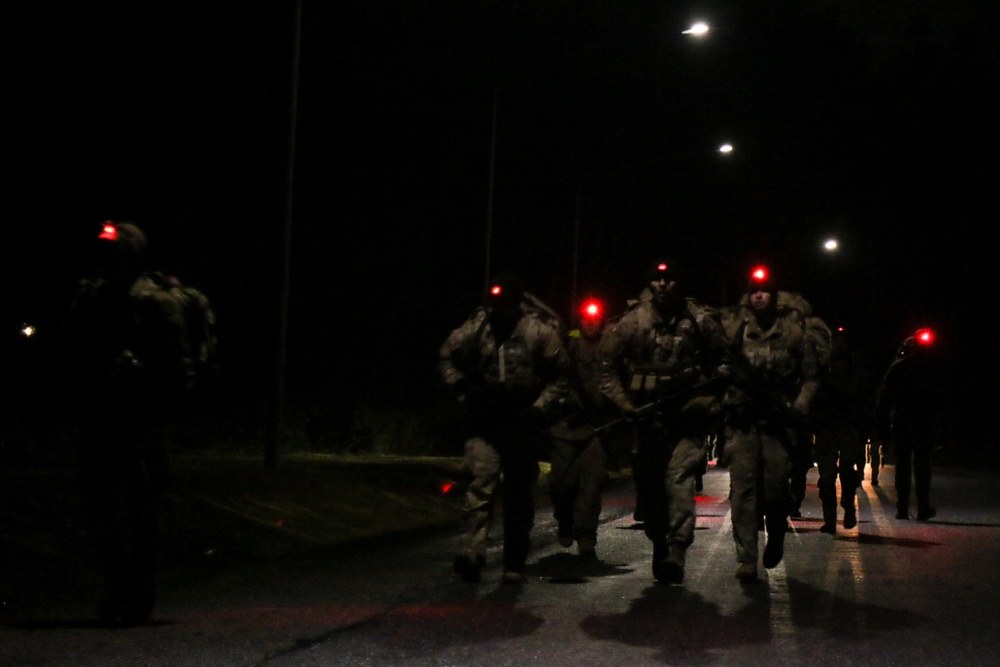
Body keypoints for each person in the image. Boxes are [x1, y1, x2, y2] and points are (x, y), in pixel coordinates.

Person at [60, 221, 189, 625]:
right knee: (101, 510)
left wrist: (151, 397)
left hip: (142, 424)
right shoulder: (91, 297)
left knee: (143, 509)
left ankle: (139, 586)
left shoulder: (155, 302)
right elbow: (69, 355)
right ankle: (118, 584)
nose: (107, 259)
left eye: (115, 252)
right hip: (101, 419)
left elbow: (177, 368)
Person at [598, 259, 727, 584]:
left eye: (669, 279)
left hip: (686, 420)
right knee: (652, 491)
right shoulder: (632, 322)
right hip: (648, 420)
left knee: (680, 482)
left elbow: (728, 361)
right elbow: (606, 367)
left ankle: (677, 549)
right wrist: (625, 404)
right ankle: (660, 542)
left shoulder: (700, 320)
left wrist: (709, 398)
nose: (662, 285)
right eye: (656, 279)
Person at [439, 273, 569, 584]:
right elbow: (447, 356)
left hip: (521, 421)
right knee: (478, 488)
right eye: (496, 306)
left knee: (518, 495)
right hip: (486, 419)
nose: (501, 314)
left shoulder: (538, 331)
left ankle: (514, 562)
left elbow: (562, 374)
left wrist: (539, 408)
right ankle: (471, 554)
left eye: (506, 307)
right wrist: (463, 388)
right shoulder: (477, 327)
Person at [720, 264, 830, 580]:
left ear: (774, 294)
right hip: (743, 424)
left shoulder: (793, 333)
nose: (758, 297)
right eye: (754, 291)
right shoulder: (736, 330)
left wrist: (797, 409)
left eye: (764, 291)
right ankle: (746, 558)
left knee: (774, 492)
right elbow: (719, 364)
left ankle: (777, 536)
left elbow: (811, 377)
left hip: (777, 426)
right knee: (742, 492)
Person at [542, 297, 613, 558]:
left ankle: (586, 537)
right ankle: (565, 519)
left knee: (591, 485)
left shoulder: (610, 349)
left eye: (596, 319)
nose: (591, 323)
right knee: (561, 484)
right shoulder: (567, 348)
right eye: (586, 318)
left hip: (597, 428)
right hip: (565, 428)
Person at [874, 328, 949, 521]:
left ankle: (904, 507)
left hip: (908, 422)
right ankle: (920, 506)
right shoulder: (934, 369)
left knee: (905, 466)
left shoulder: (900, 367)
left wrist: (881, 426)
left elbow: (884, 400)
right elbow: (943, 401)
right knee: (921, 466)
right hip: (921, 423)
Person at [809, 326, 876, 534]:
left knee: (848, 474)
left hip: (848, 428)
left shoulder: (856, 369)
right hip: (828, 429)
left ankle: (847, 508)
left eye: (842, 342)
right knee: (827, 478)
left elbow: (865, 399)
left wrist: (865, 426)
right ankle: (830, 520)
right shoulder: (822, 369)